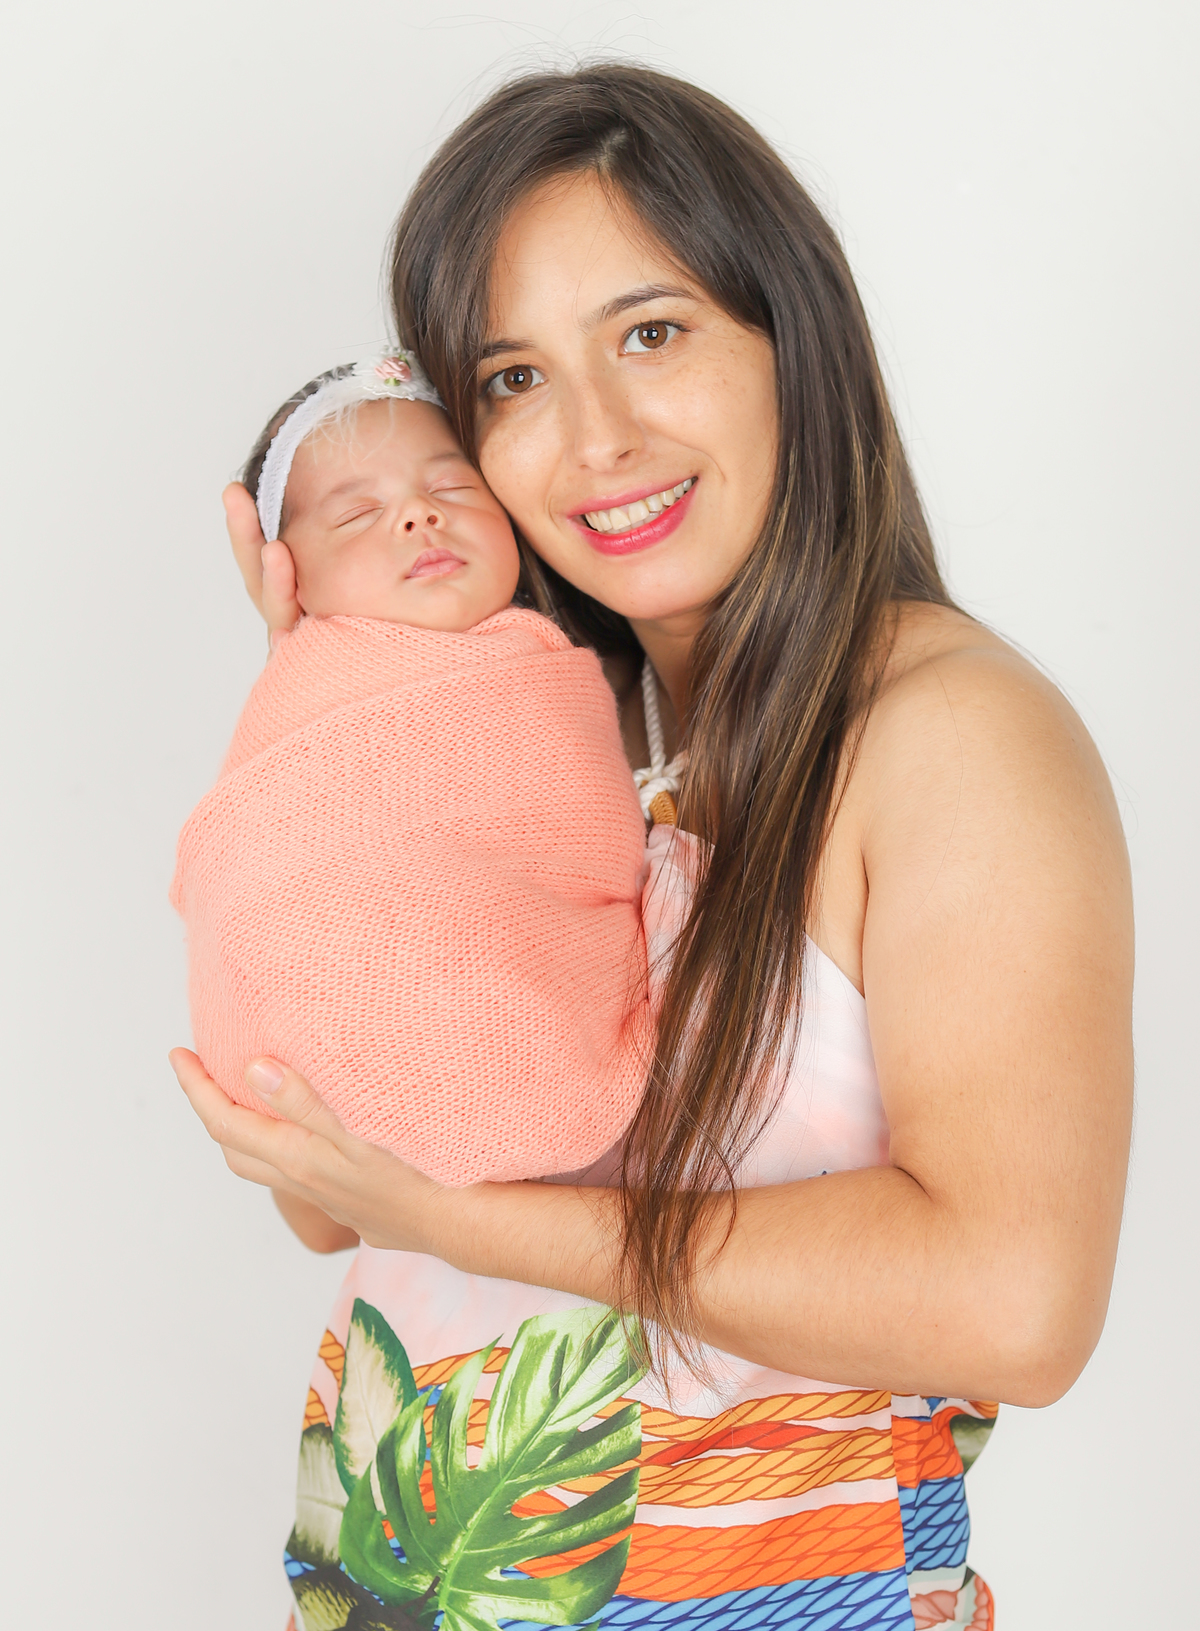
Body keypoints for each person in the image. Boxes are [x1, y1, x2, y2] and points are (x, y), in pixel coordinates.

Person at [172, 63, 1133, 1631]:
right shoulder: (552, 732)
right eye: (514, 378)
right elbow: (326, 1192)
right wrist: (338, 729)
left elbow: (1015, 1302)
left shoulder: (951, 733)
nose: (598, 437)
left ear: (791, 335)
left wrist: (477, 1227)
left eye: (651, 333)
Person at [172, 352, 665, 1187]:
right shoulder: (304, 711)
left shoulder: (551, 673)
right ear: (288, 572)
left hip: (539, 1085)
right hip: (345, 1111)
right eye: (357, 514)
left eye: (452, 487)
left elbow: (576, 854)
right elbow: (270, 884)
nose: (418, 516)